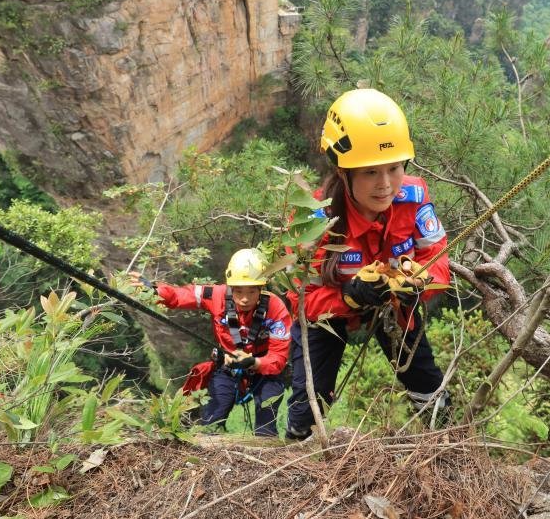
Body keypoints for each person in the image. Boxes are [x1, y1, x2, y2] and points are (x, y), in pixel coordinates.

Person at [285, 88, 451, 441]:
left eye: (394, 168)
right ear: (343, 171)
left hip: (393, 304)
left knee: (424, 379)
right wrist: (348, 296)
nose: (386, 185)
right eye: (371, 172)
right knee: (310, 400)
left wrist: (417, 283)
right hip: (329, 313)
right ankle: (299, 441)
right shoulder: (313, 220)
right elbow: (302, 300)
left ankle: (446, 440)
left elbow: (438, 261)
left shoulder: (414, 197)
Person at [131, 248, 291, 437]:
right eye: (238, 290)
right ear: (230, 285)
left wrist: (254, 362)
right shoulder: (216, 295)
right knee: (210, 424)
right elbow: (180, 295)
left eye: (252, 291)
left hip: (264, 369)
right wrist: (155, 291)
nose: (245, 298)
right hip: (228, 366)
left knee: (266, 426)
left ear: (262, 287)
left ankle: (266, 445)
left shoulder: (275, 309)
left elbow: (278, 357)